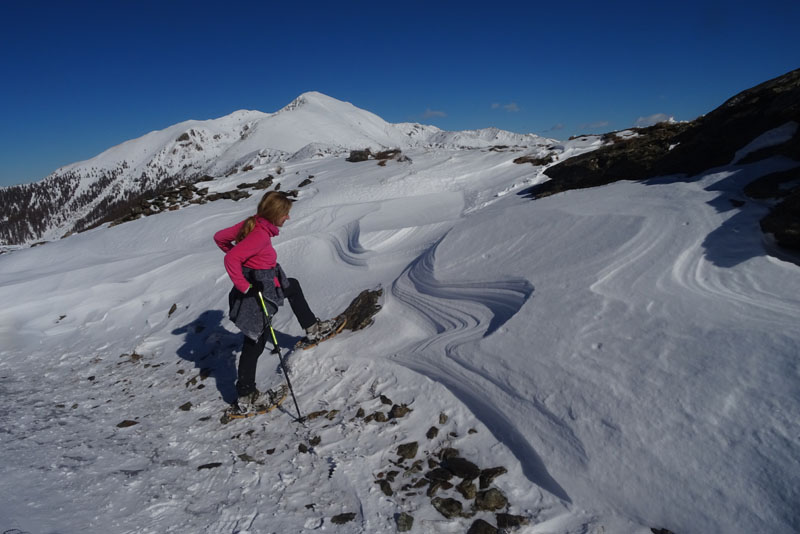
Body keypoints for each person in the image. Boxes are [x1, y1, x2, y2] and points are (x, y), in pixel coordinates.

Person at [213, 191, 335, 410]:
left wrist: (245, 263)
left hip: (264, 283)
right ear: (276, 213)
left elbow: (220, 238)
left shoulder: (253, 224)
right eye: (285, 213)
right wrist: (245, 283)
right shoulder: (259, 234)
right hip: (258, 291)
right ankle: (246, 395)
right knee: (255, 340)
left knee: (293, 287)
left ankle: (312, 327)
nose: (287, 218)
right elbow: (231, 257)